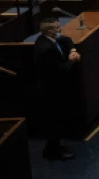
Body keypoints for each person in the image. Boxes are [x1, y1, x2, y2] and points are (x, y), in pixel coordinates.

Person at [34, 17, 81, 160]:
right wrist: (72, 60)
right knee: (55, 122)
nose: (60, 30)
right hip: (52, 91)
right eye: (57, 28)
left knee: (56, 121)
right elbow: (61, 70)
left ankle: (55, 147)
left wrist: (72, 49)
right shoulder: (47, 49)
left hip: (52, 88)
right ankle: (53, 151)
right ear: (50, 31)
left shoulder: (45, 40)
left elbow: (66, 39)